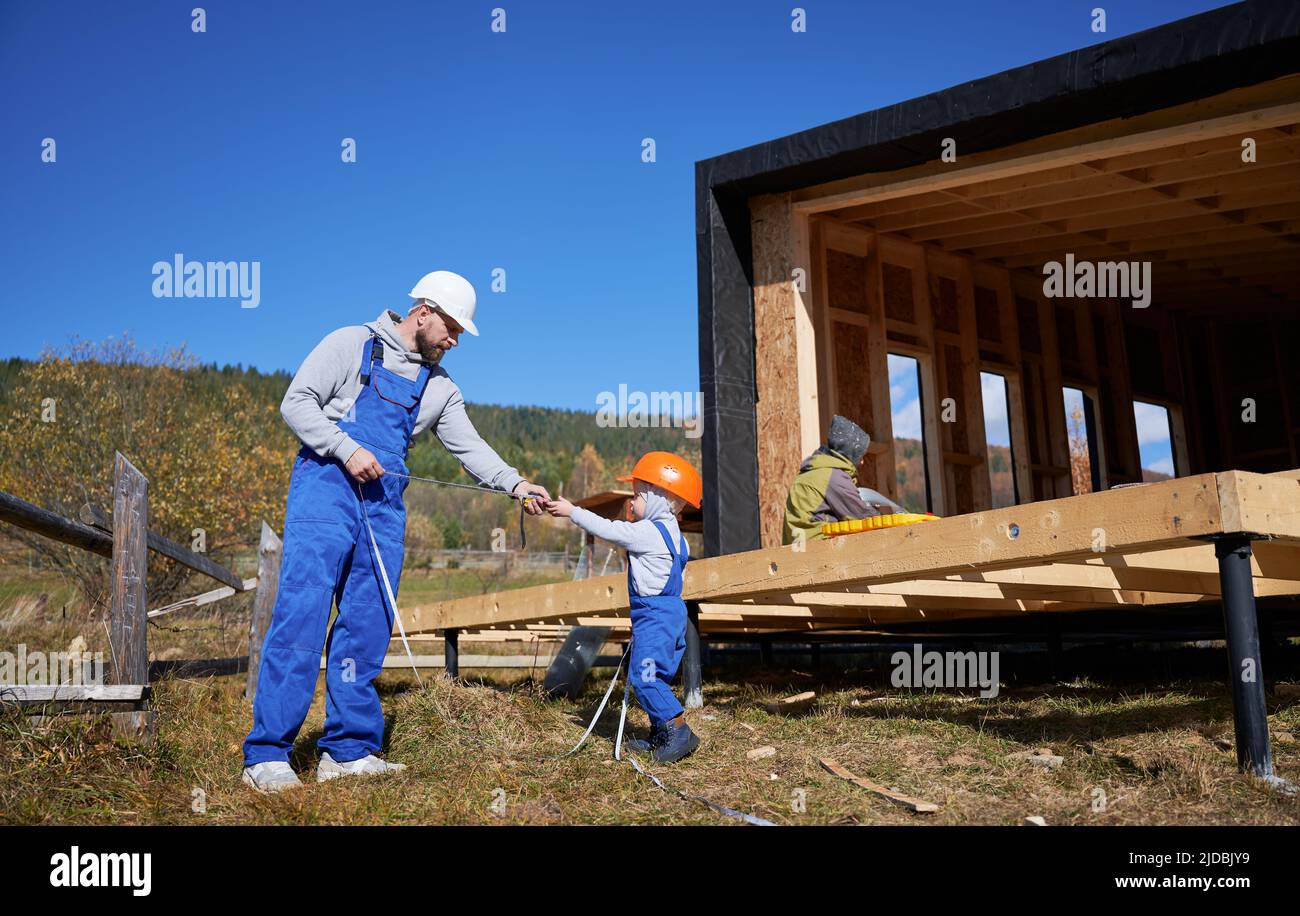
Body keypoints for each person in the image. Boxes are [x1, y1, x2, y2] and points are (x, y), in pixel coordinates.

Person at [241, 270, 550, 793]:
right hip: (326, 489)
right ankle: (268, 755)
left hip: (383, 504)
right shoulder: (349, 343)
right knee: (304, 610)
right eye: (452, 329)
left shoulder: (440, 388)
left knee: (368, 619)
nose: (454, 341)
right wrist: (346, 448)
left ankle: (348, 750)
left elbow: (470, 449)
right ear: (423, 311)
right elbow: (296, 403)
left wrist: (517, 484)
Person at [545, 451, 702, 763]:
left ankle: (679, 730)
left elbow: (610, 530)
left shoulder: (647, 532)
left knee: (645, 679)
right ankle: (660, 733)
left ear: (657, 497)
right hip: (671, 614)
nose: (632, 503)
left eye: (637, 496)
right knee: (655, 675)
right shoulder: (677, 537)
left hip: (654, 616)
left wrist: (572, 511)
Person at [782, 414, 879, 545]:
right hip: (818, 550)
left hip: (798, 549)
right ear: (849, 453)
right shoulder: (833, 476)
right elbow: (861, 517)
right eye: (860, 455)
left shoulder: (812, 472)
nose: (862, 462)